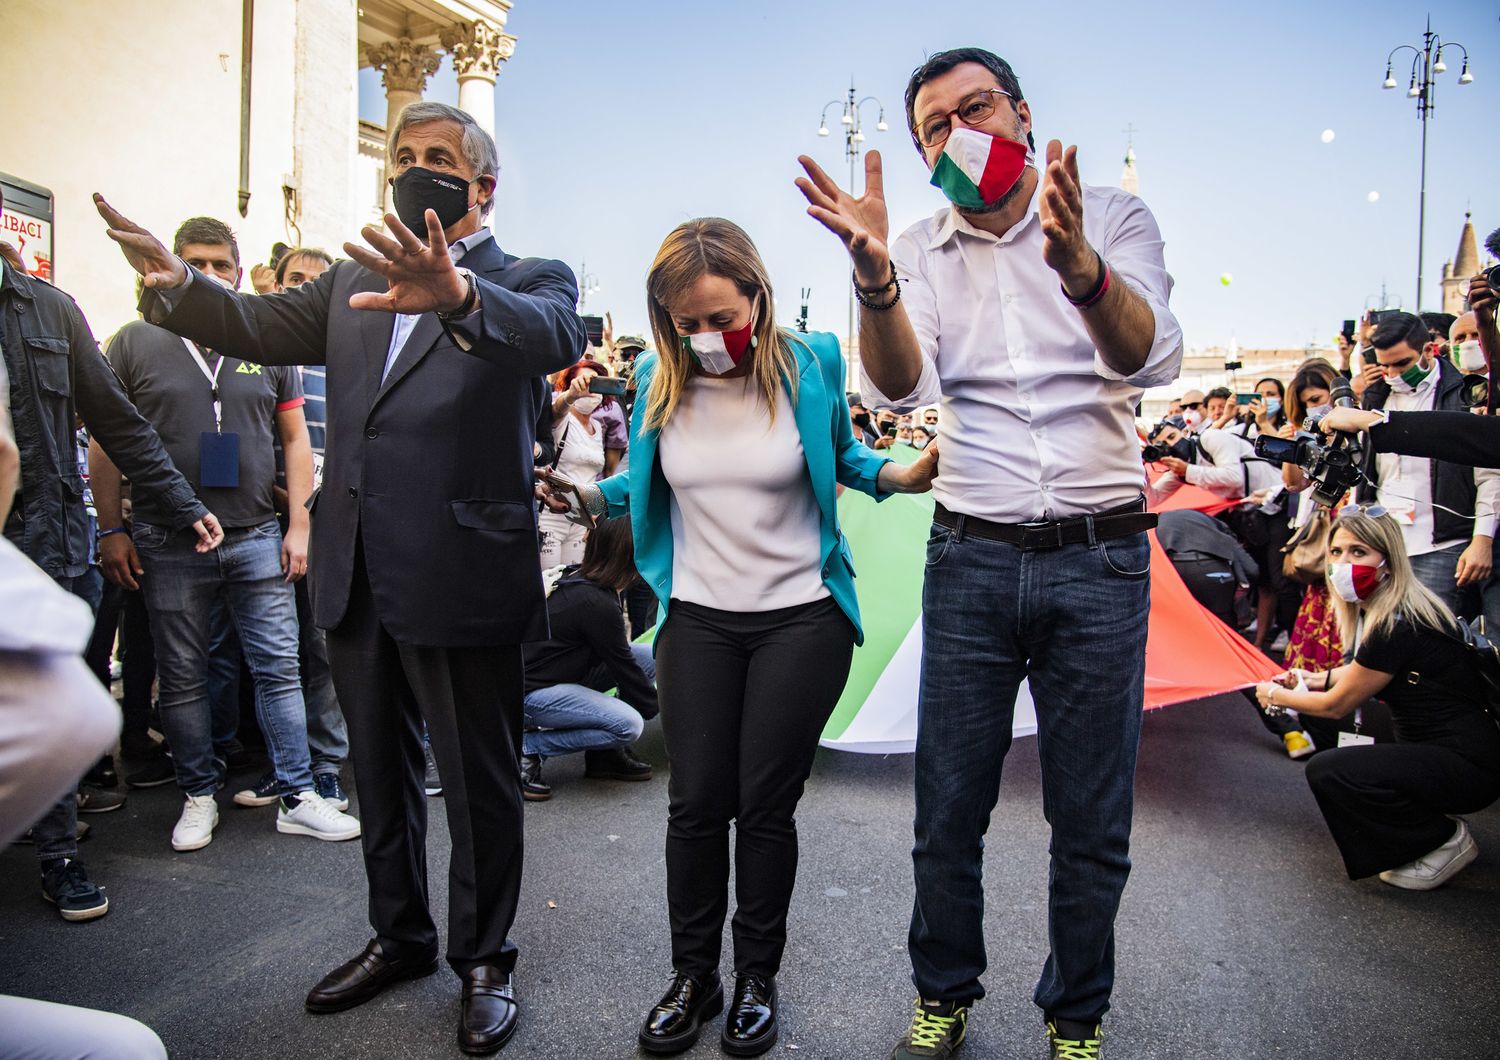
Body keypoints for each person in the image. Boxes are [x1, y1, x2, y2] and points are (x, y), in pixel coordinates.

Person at [96, 99, 585, 1054]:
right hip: (356, 568)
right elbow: (252, 319)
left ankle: (483, 960)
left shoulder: (529, 277)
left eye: (440, 158)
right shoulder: (349, 280)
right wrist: (172, 284)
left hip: (462, 570)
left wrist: (457, 298)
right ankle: (398, 935)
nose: (416, 169)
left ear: (482, 186)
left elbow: (552, 338)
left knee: (476, 781)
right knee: (377, 772)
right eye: (403, 155)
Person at [798, 46, 1183, 1060]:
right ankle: (945, 991)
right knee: (948, 806)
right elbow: (893, 390)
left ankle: (1076, 1017)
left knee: (1092, 817)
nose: (958, 132)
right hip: (970, 556)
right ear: (923, 150)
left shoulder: (1109, 217)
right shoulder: (917, 246)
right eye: (935, 125)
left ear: (1020, 111)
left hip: (1102, 557)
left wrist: (1084, 272)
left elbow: (1147, 352)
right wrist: (876, 279)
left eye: (976, 107)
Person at [553, 217, 937, 1058]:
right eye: (685, 323)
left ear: (758, 297)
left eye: (722, 317)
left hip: (801, 617)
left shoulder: (811, 361)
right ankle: (694, 976)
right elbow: (642, 478)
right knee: (694, 807)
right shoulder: (659, 375)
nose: (707, 338)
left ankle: (757, 976)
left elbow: (842, 455)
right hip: (698, 618)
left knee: (765, 807)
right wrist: (587, 499)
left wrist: (901, 473)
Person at [90, 216, 359, 852]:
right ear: (169, 267)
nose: (209, 275)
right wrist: (112, 529)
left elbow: (294, 438)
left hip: (256, 534)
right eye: (196, 263)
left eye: (220, 265)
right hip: (166, 539)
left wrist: (298, 524)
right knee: (181, 675)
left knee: (279, 667)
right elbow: (104, 446)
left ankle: (298, 794)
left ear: (237, 274)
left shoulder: (262, 343)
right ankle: (198, 794)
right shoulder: (131, 342)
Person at [1, 201, 224, 922]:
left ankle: (60, 854)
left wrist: (182, 504)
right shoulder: (128, 337)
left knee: (46, 693)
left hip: (41, 544)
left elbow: (117, 424)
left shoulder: (48, 311)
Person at [1255, 508, 1500, 889]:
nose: (1342, 563)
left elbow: (1337, 703)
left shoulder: (1394, 622)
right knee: (1324, 730)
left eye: (1358, 552)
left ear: (1387, 561)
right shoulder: (1396, 609)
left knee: (1330, 769)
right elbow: (1363, 676)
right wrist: (1312, 678)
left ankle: (1439, 838)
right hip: (1447, 750)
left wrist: (1272, 694)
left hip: (1468, 766)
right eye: (1336, 552)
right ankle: (1412, 815)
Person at [1355, 312, 1498, 618]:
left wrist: (1482, 539)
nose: (1393, 373)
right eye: (1385, 365)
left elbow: (1489, 475)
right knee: (1377, 647)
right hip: (1383, 544)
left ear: (1429, 350)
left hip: (1442, 547)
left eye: (1402, 364)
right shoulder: (1375, 397)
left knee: (1430, 642)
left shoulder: (1464, 393)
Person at [520, 516, 658, 801]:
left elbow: (624, 661)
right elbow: (624, 669)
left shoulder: (584, 578)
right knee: (628, 725)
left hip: (557, 673)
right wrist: (664, 710)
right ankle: (526, 748)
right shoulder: (596, 602)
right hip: (529, 695)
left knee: (652, 657)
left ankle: (604, 757)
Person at [540, 358, 615, 568]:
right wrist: (570, 396)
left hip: (582, 520)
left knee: (569, 585)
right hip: (551, 516)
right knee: (546, 584)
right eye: (583, 383)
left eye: (595, 384)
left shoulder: (598, 428)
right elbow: (556, 411)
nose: (589, 391)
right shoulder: (562, 418)